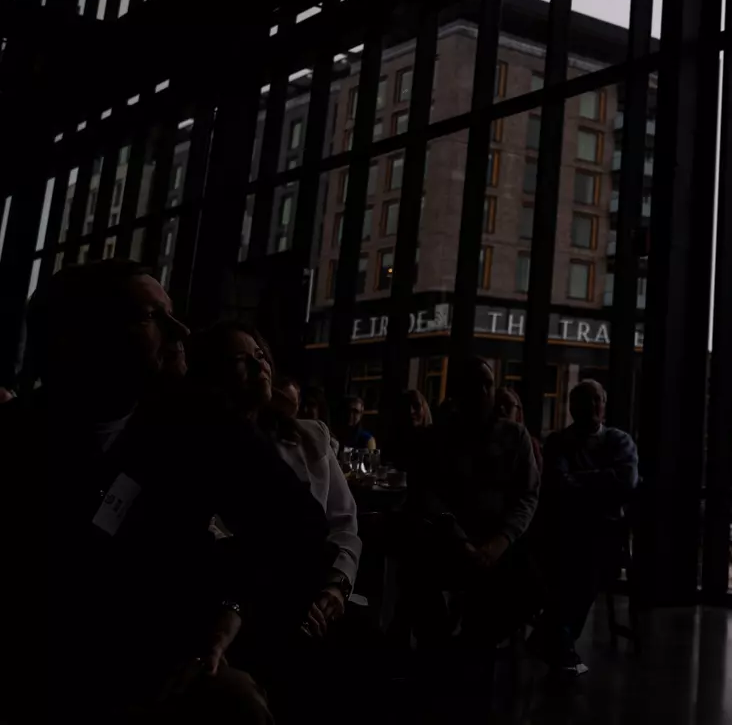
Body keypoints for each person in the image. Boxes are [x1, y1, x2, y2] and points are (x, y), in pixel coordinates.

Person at [7, 260, 330, 721]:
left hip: (169, 655)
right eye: (149, 316)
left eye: (171, 312)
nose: (181, 329)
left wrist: (232, 605)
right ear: (78, 339)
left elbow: (298, 526)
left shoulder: (199, 422)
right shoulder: (19, 442)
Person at [189, 322, 362, 637]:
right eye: (243, 360)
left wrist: (337, 584)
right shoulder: (205, 444)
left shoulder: (311, 436)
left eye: (260, 355)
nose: (260, 365)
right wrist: (286, 596)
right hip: (247, 606)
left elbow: (343, 522)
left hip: (321, 592)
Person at [404, 357, 540, 649]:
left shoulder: (515, 436)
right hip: (448, 537)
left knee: (535, 581)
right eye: (473, 385)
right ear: (456, 392)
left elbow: (527, 496)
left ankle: (471, 642)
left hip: (498, 537)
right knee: (413, 563)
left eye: (487, 384)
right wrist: (459, 540)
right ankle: (441, 642)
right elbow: (427, 495)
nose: (482, 391)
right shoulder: (436, 438)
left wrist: (501, 541)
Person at [534, 378, 639, 675]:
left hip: (601, 534)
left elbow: (626, 483)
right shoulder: (557, 442)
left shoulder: (619, 440)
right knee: (575, 564)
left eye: (597, 400)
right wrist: (602, 480)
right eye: (585, 401)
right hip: (566, 531)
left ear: (604, 406)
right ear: (572, 407)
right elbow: (557, 485)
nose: (592, 406)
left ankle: (554, 639)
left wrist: (579, 481)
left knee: (585, 563)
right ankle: (557, 641)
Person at [496, 385, 543, 473]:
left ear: (518, 411)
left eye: (508, 405)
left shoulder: (530, 444)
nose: (502, 409)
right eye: (498, 405)